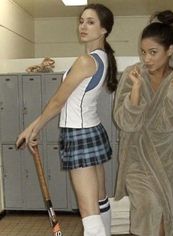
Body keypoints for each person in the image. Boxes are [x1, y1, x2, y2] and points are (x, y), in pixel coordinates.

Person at [16, 3, 117, 236]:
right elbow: (62, 103)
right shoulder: (103, 58)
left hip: (78, 134)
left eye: (90, 22)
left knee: (88, 211)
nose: (83, 26)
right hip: (92, 131)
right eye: (81, 21)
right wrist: (31, 128)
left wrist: (34, 129)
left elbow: (58, 102)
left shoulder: (86, 61)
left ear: (104, 29)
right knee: (100, 201)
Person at [113, 10, 173, 236]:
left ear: (170, 50)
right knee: (147, 208)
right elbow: (124, 122)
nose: (146, 58)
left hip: (166, 160)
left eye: (153, 52)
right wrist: (136, 90)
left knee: (166, 214)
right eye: (144, 52)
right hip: (137, 158)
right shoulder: (132, 75)